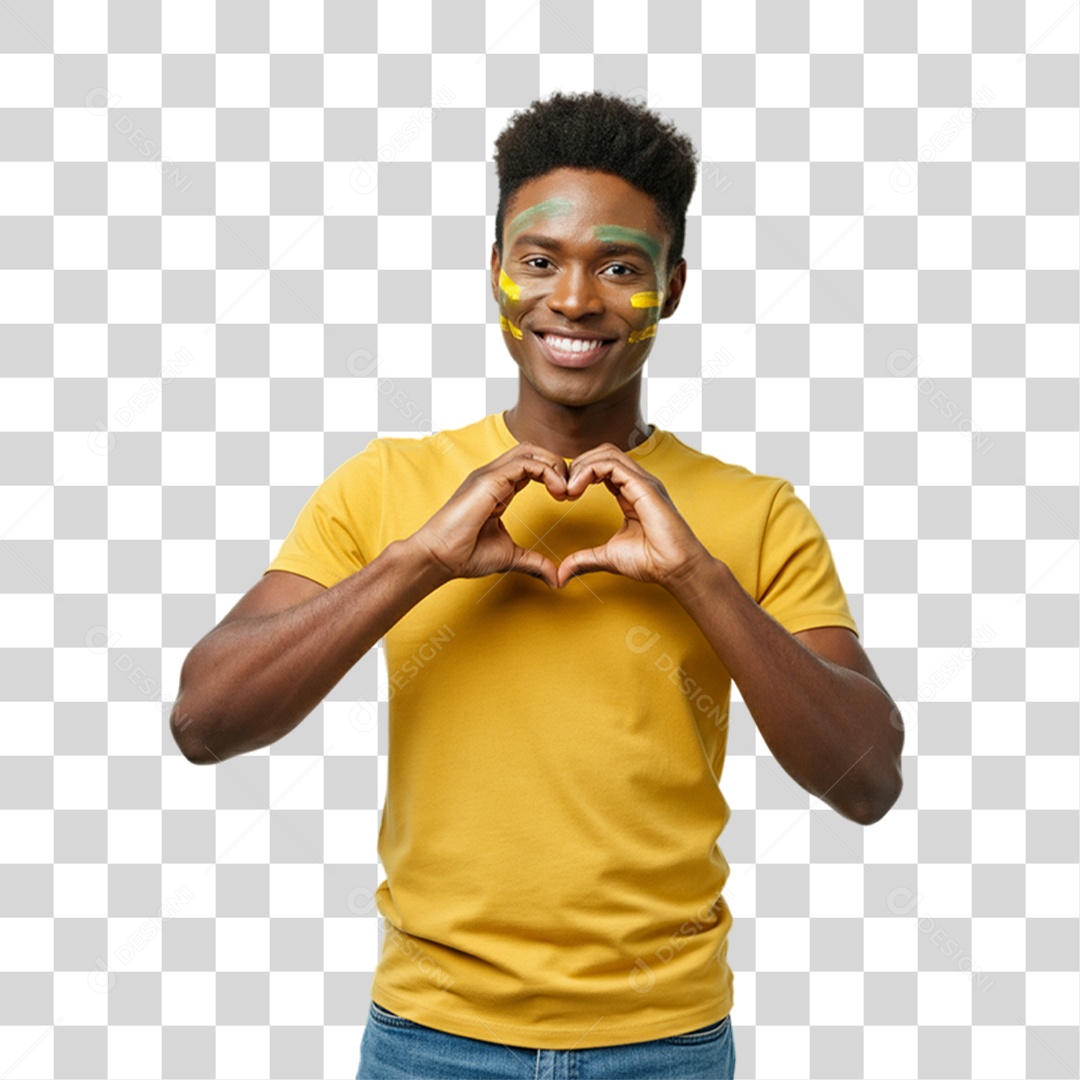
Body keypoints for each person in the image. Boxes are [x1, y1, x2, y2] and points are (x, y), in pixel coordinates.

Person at [170, 89, 903, 1080]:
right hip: (430, 1043)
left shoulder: (757, 513)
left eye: (619, 266)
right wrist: (420, 561)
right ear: (496, 274)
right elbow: (204, 722)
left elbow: (867, 780)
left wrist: (698, 578)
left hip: (667, 1046)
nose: (574, 299)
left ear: (673, 287)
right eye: (540, 259)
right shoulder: (388, 489)